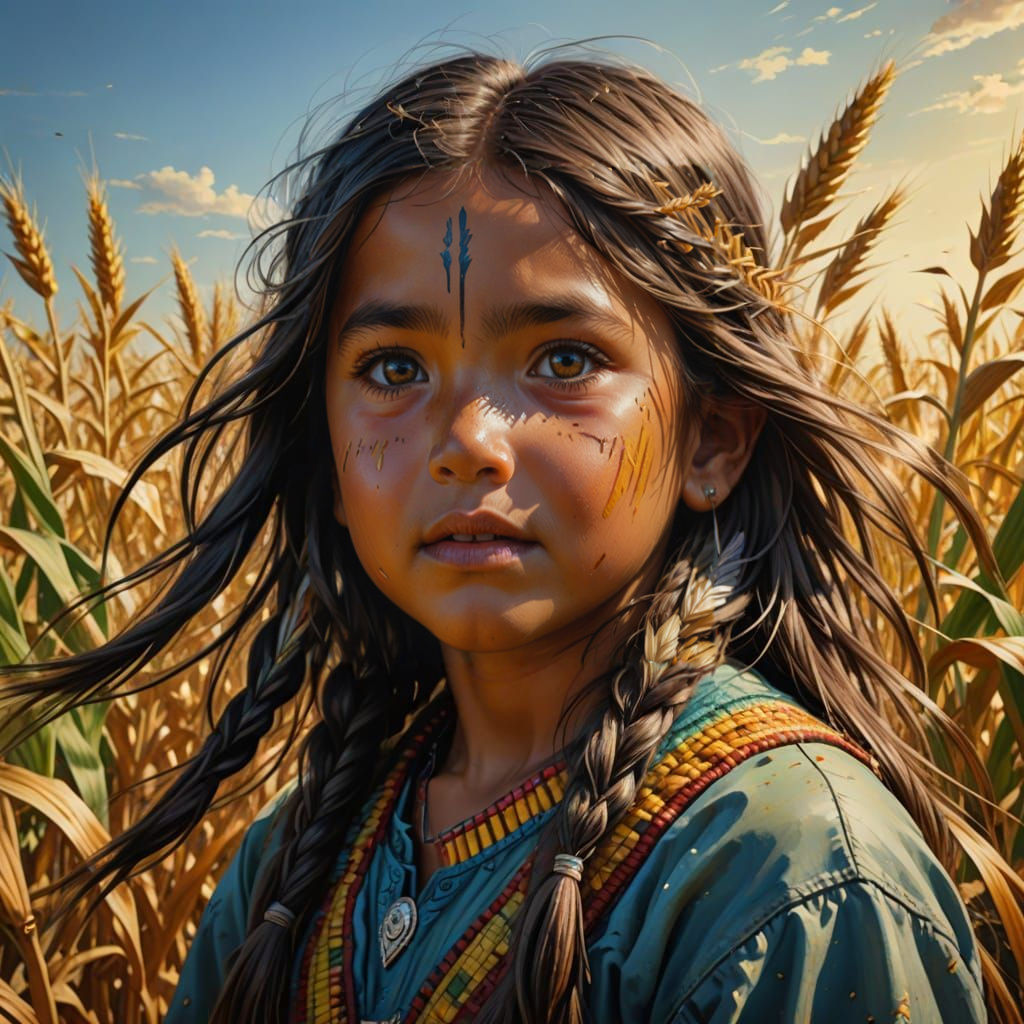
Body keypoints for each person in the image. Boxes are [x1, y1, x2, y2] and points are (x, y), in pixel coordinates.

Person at [2, 52, 1011, 1023]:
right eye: (393, 369)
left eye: (564, 358)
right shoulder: (298, 858)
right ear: (330, 459)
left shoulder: (792, 881)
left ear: (713, 438)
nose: (465, 444)